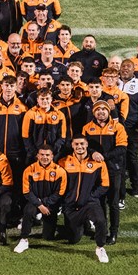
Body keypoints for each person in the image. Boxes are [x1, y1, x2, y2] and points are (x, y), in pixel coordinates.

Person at [58, 135, 111, 263]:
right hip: (71, 206)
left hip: (89, 203)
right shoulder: (63, 162)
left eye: (82, 144)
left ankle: (100, 248)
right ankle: (83, 224)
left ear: (87, 145)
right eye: (76, 144)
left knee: (100, 221)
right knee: (73, 239)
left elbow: (105, 185)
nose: (79, 147)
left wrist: (91, 196)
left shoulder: (98, 163)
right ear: (72, 146)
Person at [82, 100, 127, 245]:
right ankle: (102, 231)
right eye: (98, 109)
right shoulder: (87, 128)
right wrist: (93, 152)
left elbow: (122, 148)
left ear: (108, 111)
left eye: (104, 109)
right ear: (93, 112)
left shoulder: (117, 127)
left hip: (113, 169)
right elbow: (82, 147)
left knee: (113, 203)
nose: (101, 112)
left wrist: (103, 156)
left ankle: (113, 233)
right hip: (95, 171)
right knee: (99, 202)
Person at [14, 143, 67, 252]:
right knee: (28, 211)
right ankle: (24, 240)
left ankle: (51, 223)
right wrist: (39, 205)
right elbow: (26, 192)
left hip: (50, 205)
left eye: (47, 155)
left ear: (52, 156)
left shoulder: (60, 171)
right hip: (35, 202)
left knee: (48, 237)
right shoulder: (29, 170)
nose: (45, 157)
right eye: (42, 154)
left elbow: (59, 193)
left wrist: (43, 203)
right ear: (37, 156)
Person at [118, 59, 138, 199]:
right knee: (118, 157)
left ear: (133, 70)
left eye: (128, 67)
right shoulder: (114, 83)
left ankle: (136, 186)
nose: (125, 69)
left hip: (131, 129)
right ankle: (118, 184)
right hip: (115, 128)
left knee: (132, 157)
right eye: (123, 66)